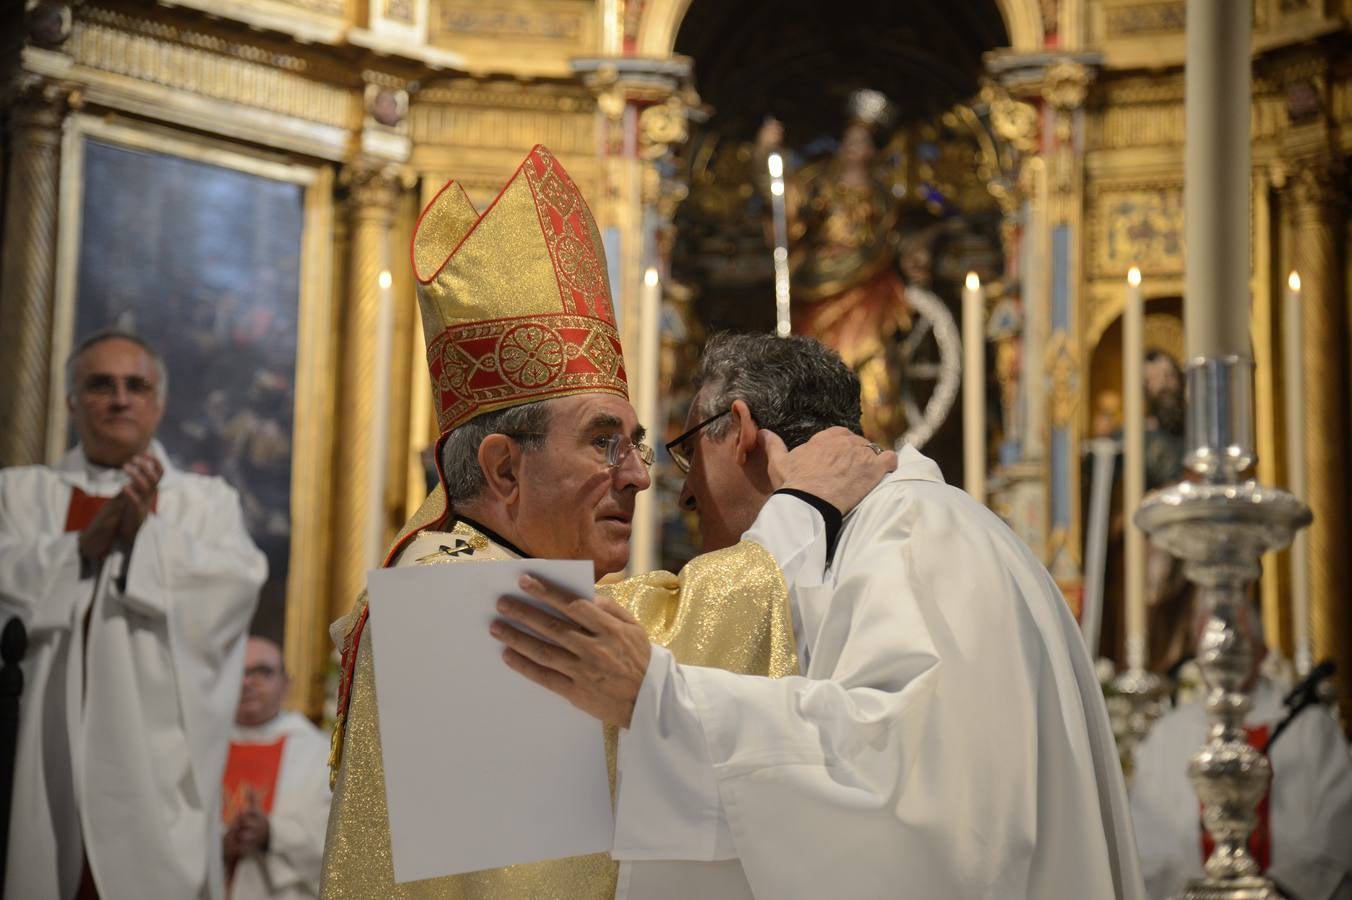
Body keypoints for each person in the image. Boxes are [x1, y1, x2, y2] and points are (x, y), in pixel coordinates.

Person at [319, 145, 893, 898]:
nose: (641, 474)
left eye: (638, 443)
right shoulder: (452, 595)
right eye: (603, 441)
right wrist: (804, 509)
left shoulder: (469, 574)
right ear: (502, 468)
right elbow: (657, 671)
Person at [493, 332, 1146, 899]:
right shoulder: (886, 536)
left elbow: (921, 812)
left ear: (742, 432)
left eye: (688, 454)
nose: (685, 493)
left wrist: (666, 701)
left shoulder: (920, 530)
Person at [0, 330, 266, 899]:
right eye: (100, 385)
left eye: (136, 385)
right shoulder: (20, 496)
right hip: (40, 760)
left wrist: (150, 540)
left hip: (154, 773)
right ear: (71, 401)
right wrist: (80, 548)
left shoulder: (205, 502)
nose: (120, 399)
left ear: (158, 403)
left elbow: (237, 584)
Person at [1131, 602, 1352, 900]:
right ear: (1197, 653)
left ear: (1262, 649)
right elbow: (1146, 838)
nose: (1224, 653)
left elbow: (1337, 826)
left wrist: (1283, 889)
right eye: (1211, 641)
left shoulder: (1310, 727)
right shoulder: (1169, 734)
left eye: (1237, 637)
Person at [754, 91, 913, 446]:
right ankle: (817, 440)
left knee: (874, 366)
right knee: (817, 365)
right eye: (850, 140)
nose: (855, 148)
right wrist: (766, 154)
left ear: (874, 151)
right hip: (819, 286)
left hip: (869, 289)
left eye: (863, 142)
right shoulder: (819, 182)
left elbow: (897, 240)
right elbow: (785, 206)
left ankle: (873, 439)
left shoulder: (884, 196)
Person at [225, 635, 330, 900]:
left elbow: (341, 843)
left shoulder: (321, 753)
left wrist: (272, 834)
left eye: (262, 671)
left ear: (286, 684)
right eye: (238, 671)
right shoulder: (201, 749)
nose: (247, 682)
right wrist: (221, 843)